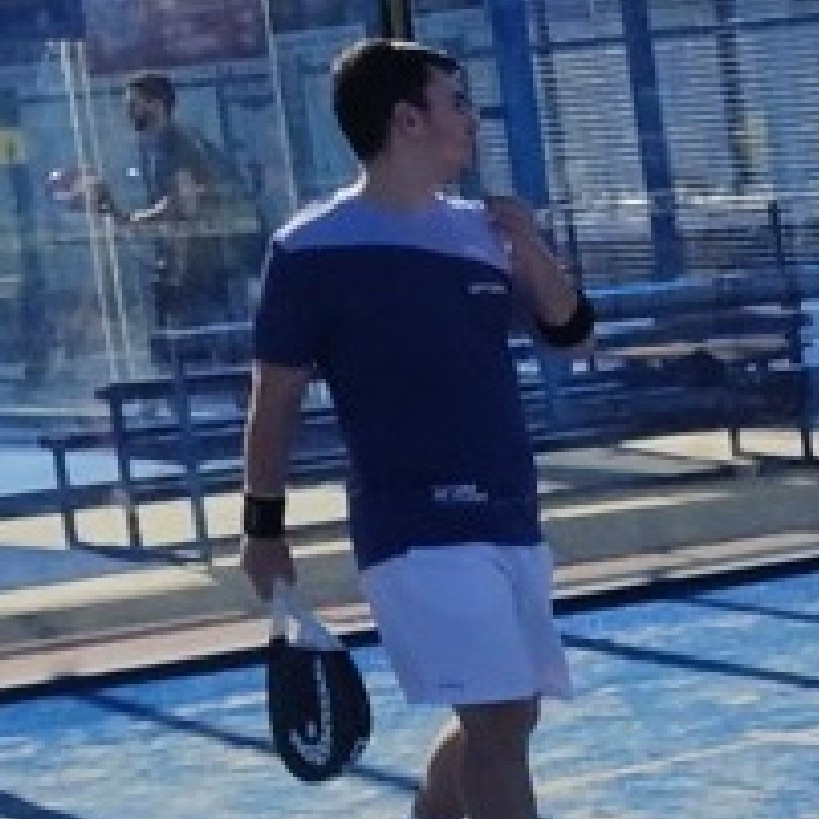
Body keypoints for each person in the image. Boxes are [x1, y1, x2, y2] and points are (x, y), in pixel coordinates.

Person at [241, 39, 594, 819]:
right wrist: (262, 526)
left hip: (510, 510)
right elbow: (275, 395)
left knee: (509, 715)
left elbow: (571, 332)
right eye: (455, 103)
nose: (471, 119)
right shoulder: (306, 248)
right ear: (406, 121)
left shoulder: (482, 231)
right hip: (413, 527)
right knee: (496, 721)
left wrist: (527, 243)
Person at [86, 72, 265, 338]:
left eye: (133, 104)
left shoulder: (177, 144)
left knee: (204, 346)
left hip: (212, 274)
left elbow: (185, 204)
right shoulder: (166, 145)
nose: (128, 113)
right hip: (206, 273)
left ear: (157, 104)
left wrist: (133, 220)